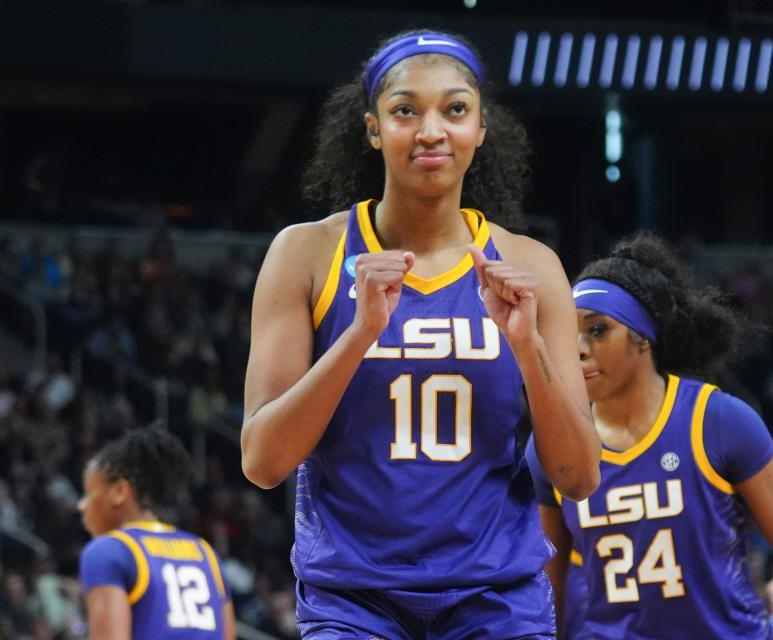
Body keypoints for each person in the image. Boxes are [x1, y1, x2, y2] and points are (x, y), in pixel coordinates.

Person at [240, 29, 602, 639]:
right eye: (405, 110)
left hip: (496, 598)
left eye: (455, 109)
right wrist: (359, 334)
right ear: (373, 128)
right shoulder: (307, 254)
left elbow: (579, 476)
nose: (431, 130)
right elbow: (264, 461)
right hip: (353, 601)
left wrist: (527, 345)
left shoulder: (532, 266)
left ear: (481, 128)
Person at [526, 233, 773, 639]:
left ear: (642, 338)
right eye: (571, 333)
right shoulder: (553, 441)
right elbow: (549, 585)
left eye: (598, 330)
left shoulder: (718, 420)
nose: (578, 348)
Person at [78, 427, 236, 640]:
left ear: (119, 492)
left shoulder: (108, 551)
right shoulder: (205, 553)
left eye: (89, 493)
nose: (82, 506)